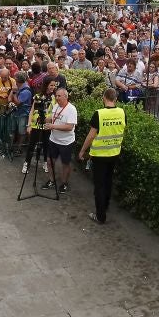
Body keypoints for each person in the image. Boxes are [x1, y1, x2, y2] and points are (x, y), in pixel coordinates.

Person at [78, 87, 126, 223]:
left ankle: (100, 216)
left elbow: (91, 135)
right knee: (108, 181)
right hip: (114, 153)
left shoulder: (99, 114)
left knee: (99, 185)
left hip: (99, 155)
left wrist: (82, 150)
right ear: (115, 99)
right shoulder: (122, 112)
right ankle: (106, 205)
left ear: (104, 98)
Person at [42, 86, 77, 193]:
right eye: (56, 96)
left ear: (66, 97)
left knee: (65, 163)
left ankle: (64, 183)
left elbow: (69, 127)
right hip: (53, 139)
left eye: (59, 96)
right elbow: (53, 118)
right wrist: (47, 119)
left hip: (66, 142)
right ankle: (52, 180)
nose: (57, 98)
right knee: (49, 161)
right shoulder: (56, 106)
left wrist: (53, 126)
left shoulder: (71, 109)